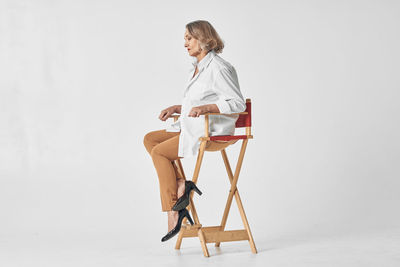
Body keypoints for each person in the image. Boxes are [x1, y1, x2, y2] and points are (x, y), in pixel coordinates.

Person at [143, 20, 246, 242]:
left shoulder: (219, 68)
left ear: (203, 39)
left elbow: (238, 103)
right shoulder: (199, 68)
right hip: (194, 125)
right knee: (150, 139)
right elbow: (198, 103)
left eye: (189, 38)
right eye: (185, 39)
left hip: (211, 132)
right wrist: (178, 108)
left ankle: (174, 208)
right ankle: (181, 185)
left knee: (159, 153)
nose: (185, 44)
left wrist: (207, 108)